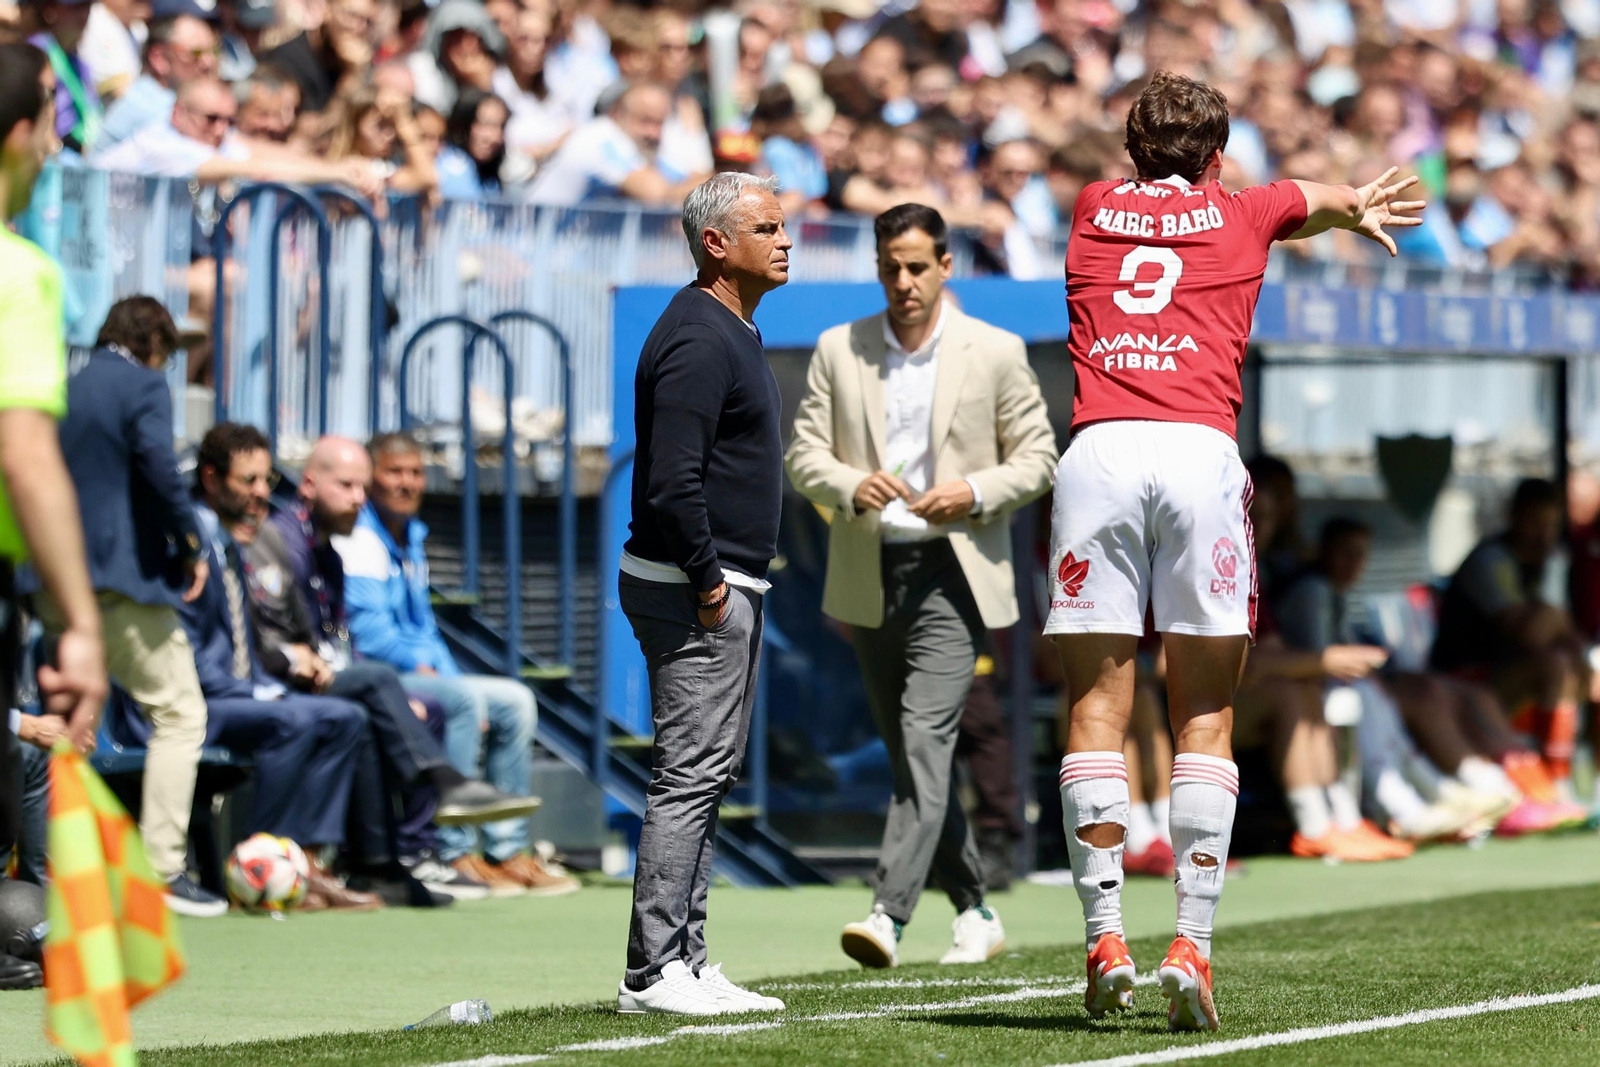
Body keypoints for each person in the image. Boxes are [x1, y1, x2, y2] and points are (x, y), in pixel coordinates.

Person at [1045, 71, 1422, 1031]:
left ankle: (1103, 932)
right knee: (1203, 712)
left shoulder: (1091, 207)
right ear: (1217, 157)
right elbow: (1315, 198)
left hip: (1098, 453)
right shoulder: (1245, 210)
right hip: (1197, 452)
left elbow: (1203, 193)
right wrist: (1355, 209)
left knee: (1096, 707)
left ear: (1130, 155)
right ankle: (1193, 946)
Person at [785, 202, 1056, 969]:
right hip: (872, 567)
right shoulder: (840, 348)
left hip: (954, 570)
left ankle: (887, 912)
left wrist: (969, 491)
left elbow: (1039, 457)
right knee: (913, 757)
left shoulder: (995, 350)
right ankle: (974, 906)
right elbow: (802, 453)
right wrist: (848, 482)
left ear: (944, 267)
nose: (902, 281)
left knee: (924, 736)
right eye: (889, 268)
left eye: (916, 266)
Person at [615, 172, 791, 1017]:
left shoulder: (733, 326)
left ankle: (687, 953)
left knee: (707, 775)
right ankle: (652, 971)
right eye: (766, 226)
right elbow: (669, 483)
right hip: (696, 591)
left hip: (721, 583)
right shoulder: (697, 336)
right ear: (716, 243)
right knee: (688, 777)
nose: (785, 238)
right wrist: (711, 580)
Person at [243, 436, 540, 897]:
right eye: (346, 485)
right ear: (308, 484)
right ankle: (442, 806)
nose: (358, 499)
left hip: (330, 679)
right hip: (277, 684)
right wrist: (304, 660)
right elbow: (269, 640)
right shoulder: (280, 541)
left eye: (361, 487)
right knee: (379, 685)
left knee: (381, 711)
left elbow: (344, 640)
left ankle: (387, 865)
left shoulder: (332, 550)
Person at [29, 294, 229, 916]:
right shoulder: (142, 384)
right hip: (118, 582)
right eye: (168, 356)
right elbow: (162, 471)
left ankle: (43, 868)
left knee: (59, 726)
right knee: (180, 715)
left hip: (47, 581)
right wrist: (192, 543)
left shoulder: (62, 379)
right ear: (154, 345)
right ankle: (163, 870)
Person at [338, 431, 579, 896]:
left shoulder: (411, 537)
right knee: (462, 699)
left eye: (414, 472)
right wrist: (430, 674)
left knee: (515, 700)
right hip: (378, 675)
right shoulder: (361, 539)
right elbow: (368, 633)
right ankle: (454, 851)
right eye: (394, 472)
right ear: (371, 480)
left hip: (418, 672)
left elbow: (426, 628)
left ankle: (505, 851)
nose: (406, 483)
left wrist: (442, 673)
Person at [0, 41, 109, 989]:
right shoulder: (17, 272)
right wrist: (78, 619)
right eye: (48, 118)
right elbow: (23, 450)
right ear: (21, 135)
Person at [181, 420, 381, 911]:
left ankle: (303, 861)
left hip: (242, 690)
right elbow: (190, 652)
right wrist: (255, 691)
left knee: (345, 716)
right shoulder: (187, 543)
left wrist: (262, 684)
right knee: (295, 719)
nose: (260, 494)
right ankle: (256, 861)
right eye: (247, 481)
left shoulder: (234, 541)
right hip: (202, 700)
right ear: (210, 478)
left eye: (266, 481)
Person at [1430, 478, 1589, 802]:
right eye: (1535, 522)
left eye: (1550, 524)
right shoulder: (1490, 561)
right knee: (1553, 666)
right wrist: (1555, 589)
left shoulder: (1541, 562)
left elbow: (1568, 636)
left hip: (1503, 683)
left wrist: (1558, 622)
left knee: (1584, 668)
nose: (1543, 534)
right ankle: (1555, 786)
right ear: (1514, 516)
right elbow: (1531, 633)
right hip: (1461, 685)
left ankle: (1587, 785)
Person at [527, 81, 706, 207]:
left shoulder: (641, 147)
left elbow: (686, 176)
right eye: (645, 121)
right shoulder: (600, 136)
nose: (654, 133)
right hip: (527, 249)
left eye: (659, 123)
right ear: (616, 114)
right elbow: (655, 194)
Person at [95, 0, 219, 150]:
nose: (209, 62)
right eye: (196, 53)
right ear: (159, 58)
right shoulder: (145, 104)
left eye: (214, 51)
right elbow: (187, 158)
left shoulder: (168, 100)